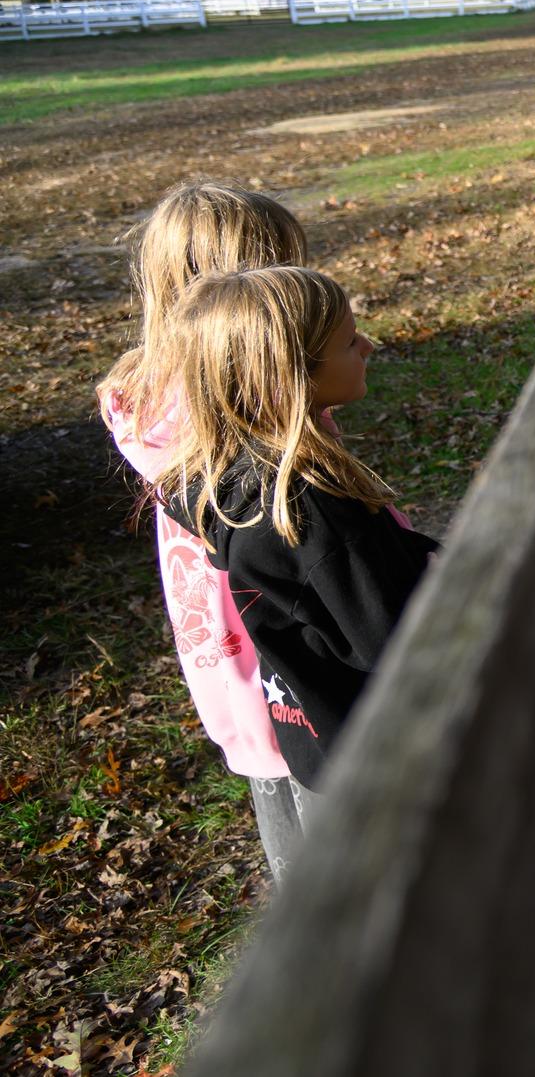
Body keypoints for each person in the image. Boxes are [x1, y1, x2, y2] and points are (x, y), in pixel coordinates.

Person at [155, 265, 437, 806]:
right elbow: (396, 638)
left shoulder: (227, 485)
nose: (368, 346)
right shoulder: (313, 510)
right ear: (291, 373)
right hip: (390, 764)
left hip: (317, 743)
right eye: (349, 341)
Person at [97, 181, 313, 881]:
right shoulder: (249, 395)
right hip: (279, 609)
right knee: (319, 766)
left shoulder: (143, 395)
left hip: (216, 635)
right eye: (283, 269)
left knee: (268, 766)